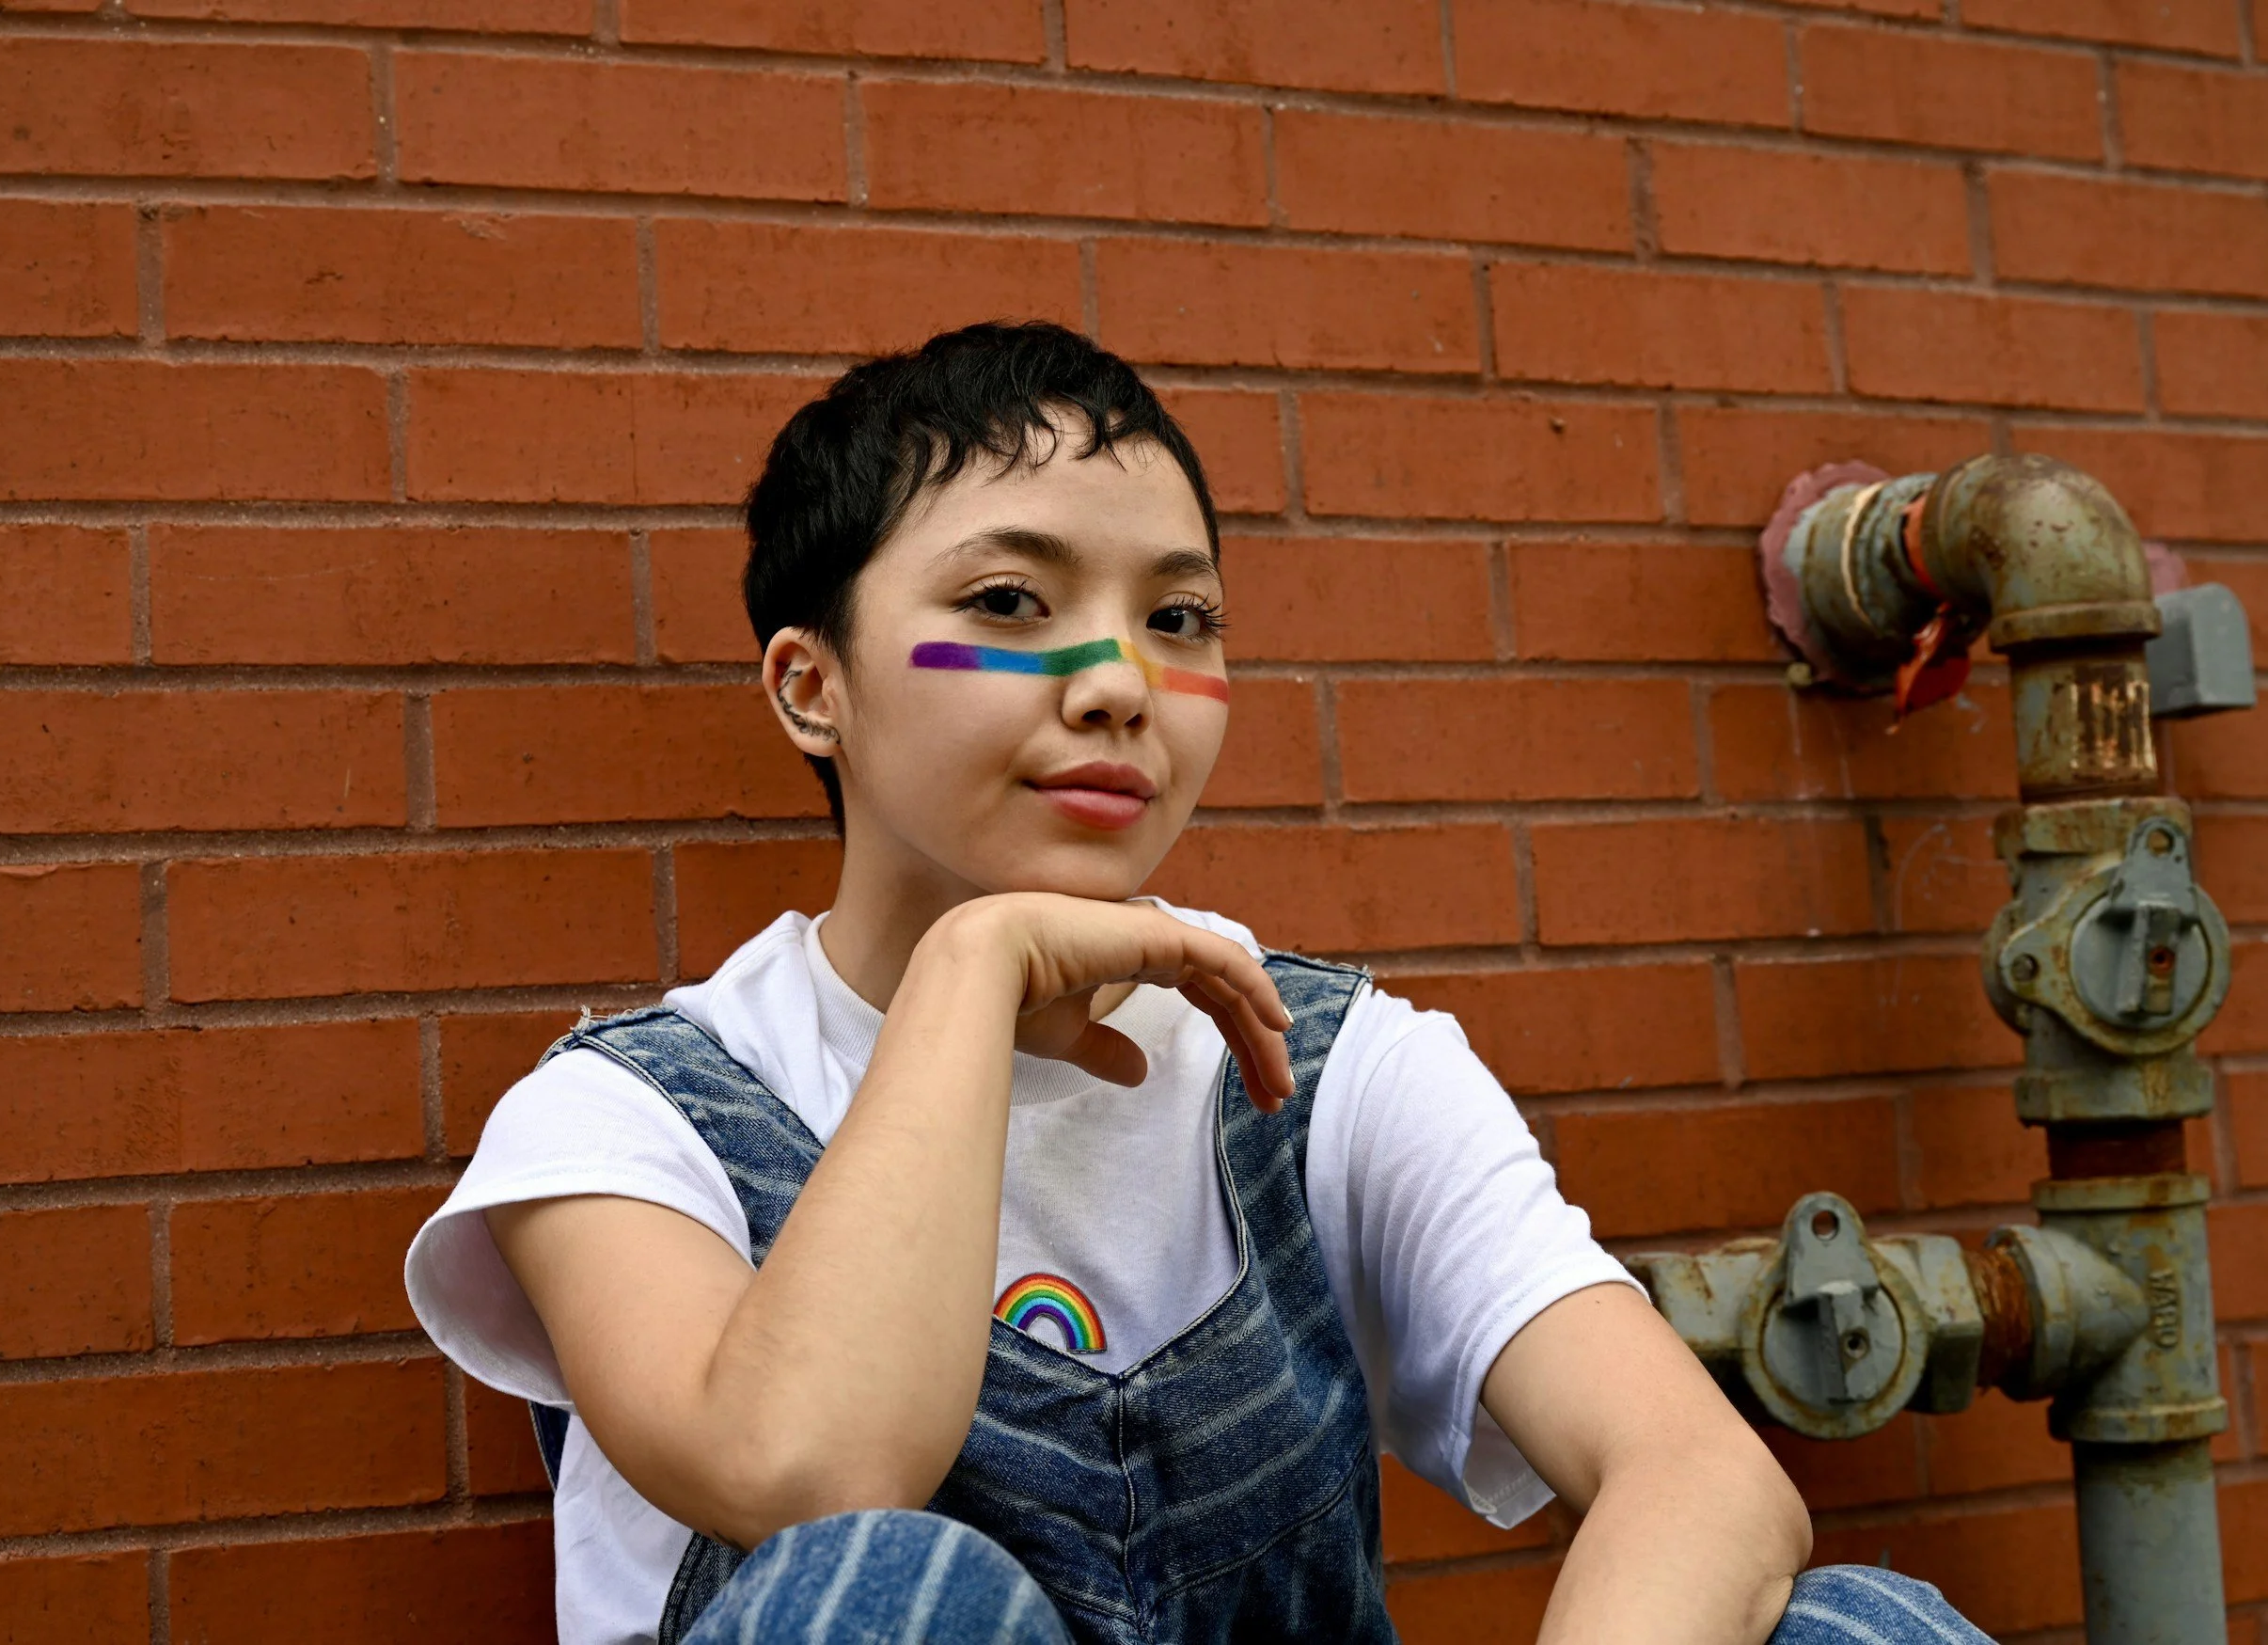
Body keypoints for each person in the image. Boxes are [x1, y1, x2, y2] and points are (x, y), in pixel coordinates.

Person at [405, 323, 1992, 1644]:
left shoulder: (1329, 1061)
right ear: (811, 688)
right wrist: (971, 973)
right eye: (1009, 604)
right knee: (885, 1593)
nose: (1118, 683)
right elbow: (814, 1475)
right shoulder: (628, 1119)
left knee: (1859, 1630)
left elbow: (1701, 1479)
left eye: (1177, 618)